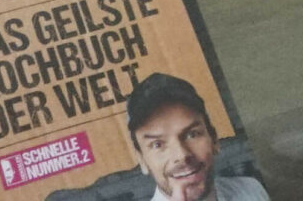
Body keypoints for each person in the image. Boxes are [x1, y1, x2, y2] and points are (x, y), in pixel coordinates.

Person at [80, 73, 266, 201]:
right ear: (142, 160)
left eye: (192, 134)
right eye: (157, 144)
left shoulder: (251, 190)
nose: (181, 155)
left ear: (214, 140)